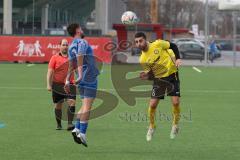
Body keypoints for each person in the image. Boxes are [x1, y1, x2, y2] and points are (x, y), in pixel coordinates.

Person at [134, 32, 182, 141]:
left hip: (172, 75)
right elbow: (151, 75)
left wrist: (178, 58)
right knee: (153, 105)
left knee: (176, 102)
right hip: (159, 79)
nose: (139, 44)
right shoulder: (142, 59)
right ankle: (151, 126)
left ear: (145, 40)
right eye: (136, 42)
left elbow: (173, 46)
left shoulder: (158, 44)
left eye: (140, 41)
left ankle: (175, 125)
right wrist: (147, 77)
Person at [65, 23, 99, 147]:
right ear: (78, 30)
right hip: (88, 76)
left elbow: (70, 65)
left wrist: (67, 80)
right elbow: (80, 56)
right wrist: (80, 75)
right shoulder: (82, 42)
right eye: (81, 28)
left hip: (81, 80)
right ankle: (82, 133)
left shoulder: (70, 46)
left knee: (84, 105)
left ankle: (77, 129)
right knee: (88, 107)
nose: (82, 30)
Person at [46, 39, 76, 131]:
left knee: (72, 102)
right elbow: (50, 72)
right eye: (63, 45)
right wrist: (48, 84)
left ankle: (70, 124)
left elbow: (77, 69)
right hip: (57, 85)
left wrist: (79, 80)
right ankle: (59, 124)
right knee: (58, 105)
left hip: (70, 84)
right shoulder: (54, 58)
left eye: (67, 45)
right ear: (60, 46)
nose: (65, 46)